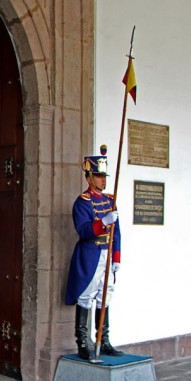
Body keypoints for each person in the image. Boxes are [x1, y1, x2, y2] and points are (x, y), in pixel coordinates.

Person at [65, 144, 124, 360]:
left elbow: (117, 233)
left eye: (104, 176)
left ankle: (103, 340)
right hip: (90, 254)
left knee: (105, 295)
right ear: (89, 177)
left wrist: (116, 257)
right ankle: (82, 342)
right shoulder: (82, 202)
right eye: (98, 176)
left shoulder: (110, 200)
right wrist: (102, 222)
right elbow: (83, 230)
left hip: (106, 255)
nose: (103, 180)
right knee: (86, 295)